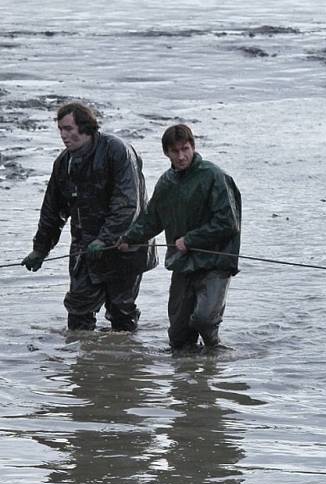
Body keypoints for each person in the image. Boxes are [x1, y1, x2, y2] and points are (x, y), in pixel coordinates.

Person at [21, 101, 157, 331]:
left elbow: (127, 204)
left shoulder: (117, 150)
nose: (63, 135)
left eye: (68, 129)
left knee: (121, 313)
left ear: (85, 127)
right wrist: (40, 249)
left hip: (124, 246)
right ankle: (82, 362)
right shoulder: (64, 163)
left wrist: (105, 238)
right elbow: (52, 211)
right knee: (78, 313)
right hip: (85, 248)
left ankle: (124, 362)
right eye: (60, 130)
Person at [118, 124, 241, 351]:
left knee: (204, 319)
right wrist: (129, 238)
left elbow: (228, 223)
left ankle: (215, 353)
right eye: (175, 151)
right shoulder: (167, 182)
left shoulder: (214, 176)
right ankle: (186, 380)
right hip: (182, 263)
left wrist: (191, 239)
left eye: (185, 149)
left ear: (193, 146)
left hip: (214, 262)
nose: (181, 156)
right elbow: (152, 218)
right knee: (178, 335)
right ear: (166, 153)